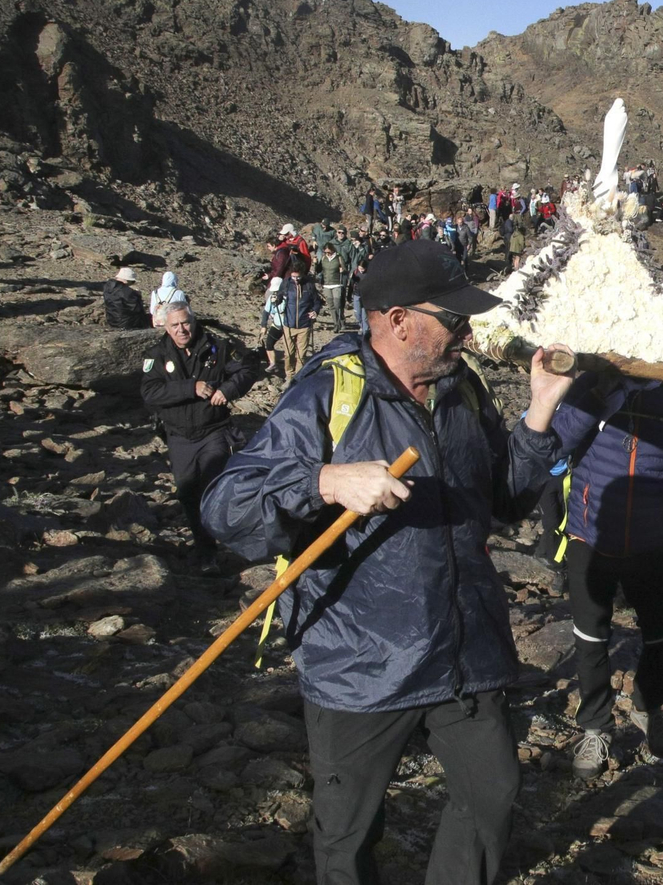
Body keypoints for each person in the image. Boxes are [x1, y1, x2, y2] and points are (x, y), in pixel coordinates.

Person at [201, 239, 574, 885]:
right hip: (361, 664)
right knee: (347, 834)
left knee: (491, 793)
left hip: (463, 650)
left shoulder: (462, 389)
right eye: (452, 316)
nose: (466, 329)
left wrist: (540, 409)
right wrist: (324, 482)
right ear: (398, 319)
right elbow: (225, 508)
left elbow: (504, 501)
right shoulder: (329, 392)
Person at [549, 372, 663, 778]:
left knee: (662, 635)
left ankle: (648, 707)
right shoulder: (590, 386)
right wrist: (597, 398)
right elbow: (556, 446)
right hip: (589, 532)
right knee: (590, 638)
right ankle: (595, 727)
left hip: (650, 540)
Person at [141, 303, 254, 565]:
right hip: (179, 436)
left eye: (185, 323)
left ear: (193, 321)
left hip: (213, 430)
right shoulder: (156, 355)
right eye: (175, 325)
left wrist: (228, 390)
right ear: (165, 328)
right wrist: (191, 387)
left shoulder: (217, 346)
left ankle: (231, 541)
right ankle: (206, 549)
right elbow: (150, 393)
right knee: (187, 492)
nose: (182, 330)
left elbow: (247, 369)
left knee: (214, 488)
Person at [279, 261, 321, 385]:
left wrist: (315, 311)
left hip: (304, 325)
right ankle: (289, 375)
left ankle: (298, 378)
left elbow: (317, 301)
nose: (296, 279)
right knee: (288, 353)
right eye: (293, 277)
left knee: (301, 354)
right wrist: (275, 300)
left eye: (298, 277)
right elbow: (279, 297)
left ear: (303, 274)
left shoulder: (309, 285)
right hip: (288, 324)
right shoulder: (286, 283)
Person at [316, 242, 349, 333]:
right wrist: (316, 264)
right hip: (326, 284)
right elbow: (318, 270)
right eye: (326, 252)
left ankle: (341, 319)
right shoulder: (323, 258)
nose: (327, 254)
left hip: (337, 283)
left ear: (332, 250)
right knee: (331, 306)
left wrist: (342, 270)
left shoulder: (338, 257)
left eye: (329, 252)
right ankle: (336, 324)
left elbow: (346, 270)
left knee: (337, 304)